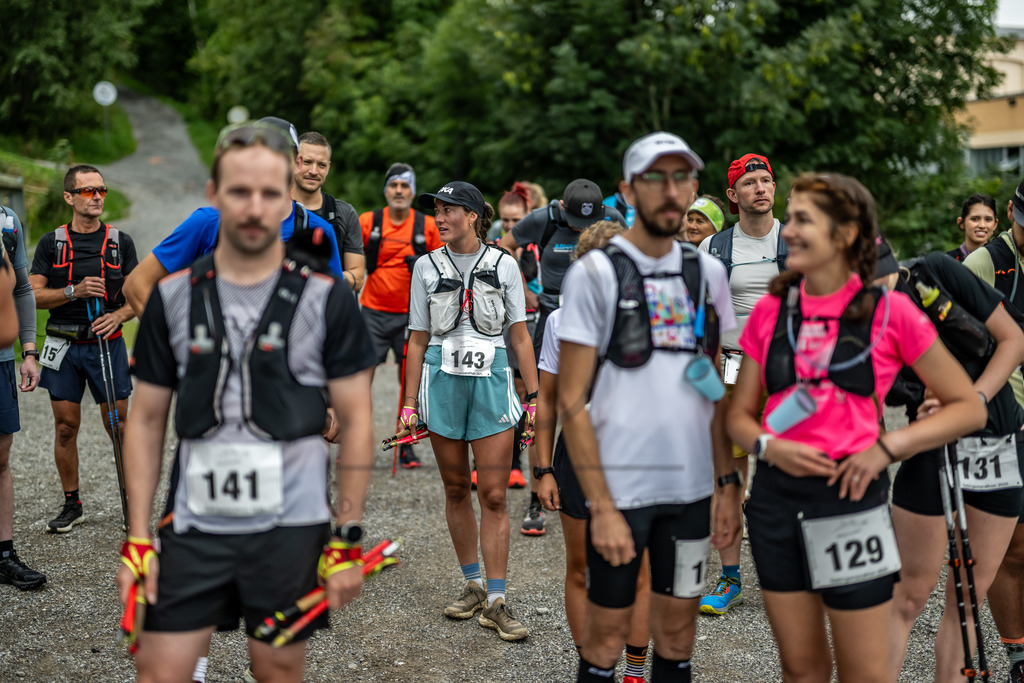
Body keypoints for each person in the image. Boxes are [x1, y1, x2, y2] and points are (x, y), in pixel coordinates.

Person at [116, 120, 376, 683]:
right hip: (197, 518)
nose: (254, 207)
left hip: (291, 521)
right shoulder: (171, 298)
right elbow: (147, 421)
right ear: (213, 195)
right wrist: (138, 537)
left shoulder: (324, 298)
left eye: (268, 192)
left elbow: (357, 421)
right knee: (160, 670)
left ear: (289, 192)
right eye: (239, 191)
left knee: (277, 668)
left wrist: (347, 534)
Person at [730, 172, 986, 681]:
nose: (789, 230)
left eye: (803, 219)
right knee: (801, 671)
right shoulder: (771, 310)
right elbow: (736, 417)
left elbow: (968, 407)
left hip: (851, 501)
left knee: (863, 674)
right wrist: (769, 447)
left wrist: (887, 447)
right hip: (776, 504)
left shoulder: (891, 312)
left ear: (846, 234)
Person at [558, 131, 740, 682]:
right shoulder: (595, 272)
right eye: (654, 178)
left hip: (689, 494)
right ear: (628, 191)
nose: (669, 191)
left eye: (681, 177)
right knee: (608, 637)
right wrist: (603, 506)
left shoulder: (705, 272)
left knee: (679, 635)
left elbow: (713, 376)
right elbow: (570, 400)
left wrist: (728, 485)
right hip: (621, 488)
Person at [400, 180, 538, 641]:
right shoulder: (424, 266)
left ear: (475, 216)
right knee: (456, 486)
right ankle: (473, 584)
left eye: (450, 210)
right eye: (437, 210)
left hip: (492, 377)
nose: (440, 218)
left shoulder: (504, 264)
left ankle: (498, 599)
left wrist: (534, 399)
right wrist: (406, 404)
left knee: (494, 493)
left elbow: (519, 335)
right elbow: (417, 339)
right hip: (441, 377)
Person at [885, 246, 1024, 681]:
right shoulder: (854, 326)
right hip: (932, 446)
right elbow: (874, 434)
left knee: (966, 601)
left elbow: (1014, 340)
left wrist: (973, 399)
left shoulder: (935, 271)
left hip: (996, 441)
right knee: (906, 596)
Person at [534, 219, 651, 683]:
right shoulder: (560, 321)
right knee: (582, 568)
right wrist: (543, 468)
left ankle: (637, 673)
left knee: (638, 569)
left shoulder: (651, 315)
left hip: (639, 453)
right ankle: (593, 671)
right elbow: (545, 399)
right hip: (578, 455)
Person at [122, 116, 346, 318]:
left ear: (297, 162)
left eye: (281, 152)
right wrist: (173, 347)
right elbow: (137, 285)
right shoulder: (208, 222)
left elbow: (336, 310)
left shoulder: (316, 231)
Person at [697, 153, 785, 616]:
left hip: (785, 374)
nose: (760, 188)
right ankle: (730, 577)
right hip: (731, 370)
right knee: (728, 477)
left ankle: (792, 574)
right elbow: (700, 319)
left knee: (790, 470)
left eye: (766, 180)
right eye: (749, 182)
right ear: (732, 196)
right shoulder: (713, 247)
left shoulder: (795, 240)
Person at [29, 165, 138, 534]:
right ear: (69, 197)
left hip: (106, 345)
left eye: (101, 190)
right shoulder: (52, 242)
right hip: (63, 347)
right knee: (65, 428)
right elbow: (32, 295)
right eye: (88, 191)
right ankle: (72, 503)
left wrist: (119, 314)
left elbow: (141, 295)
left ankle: (132, 500)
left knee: (119, 427)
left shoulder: (120, 242)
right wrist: (72, 291)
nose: (96, 197)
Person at [964, 178, 1024, 682]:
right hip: (1007, 418)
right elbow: (950, 340)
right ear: (1011, 212)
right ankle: (1018, 652)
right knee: (1013, 543)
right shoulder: (986, 263)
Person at [359, 162, 442, 469]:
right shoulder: (369, 221)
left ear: (412, 191)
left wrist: (422, 263)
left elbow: (443, 268)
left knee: (410, 382)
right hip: (372, 311)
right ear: (386, 189)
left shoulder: (428, 227)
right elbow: (353, 258)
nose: (398, 191)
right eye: (393, 185)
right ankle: (356, 441)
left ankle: (405, 444)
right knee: (360, 378)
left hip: (412, 316)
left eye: (404, 186)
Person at [0, 205, 44, 589]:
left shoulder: (8, 220)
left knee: (1, 457)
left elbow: (23, 288)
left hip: (0, 360)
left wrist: (29, 352)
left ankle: (3, 554)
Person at [292, 131, 365, 291]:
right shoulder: (277, 209)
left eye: (321, 165)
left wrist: (318, 277)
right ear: (295, 162)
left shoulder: (344, 213)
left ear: (329, 167)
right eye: (308, 162)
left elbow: (358, 277)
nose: (313, 171)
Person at [948, 193, 998, 262]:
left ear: (995, 224)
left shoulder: (1002, 261)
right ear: (962, 222)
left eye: (988, 219)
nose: (982, 225)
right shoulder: (948, 261)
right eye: (975, 219)